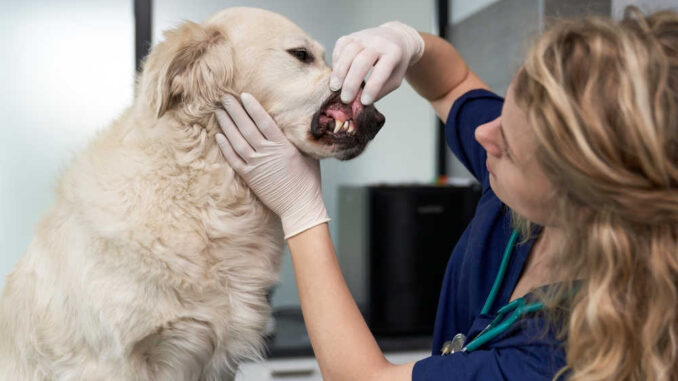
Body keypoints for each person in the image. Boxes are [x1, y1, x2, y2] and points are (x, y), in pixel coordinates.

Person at [214, 7, 678, 381]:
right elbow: (453, 83)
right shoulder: (520, 185)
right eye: (503, 110)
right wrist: (408, 45)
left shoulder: (558, 358)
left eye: (509, 147)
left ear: (582, 199)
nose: (483, 137)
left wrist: (301, 210)